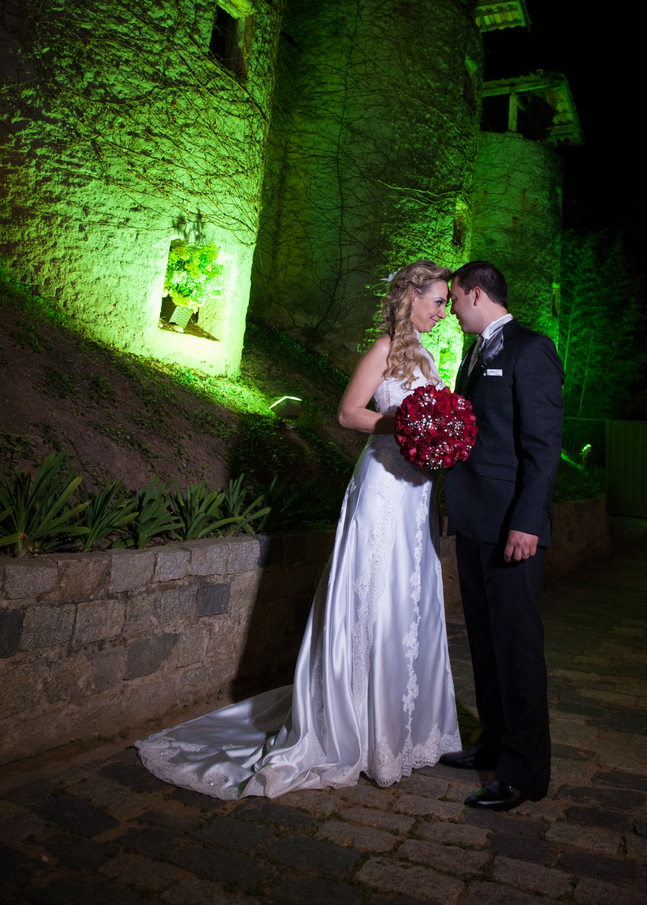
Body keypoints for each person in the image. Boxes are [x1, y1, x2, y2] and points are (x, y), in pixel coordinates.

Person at [136, 260, 461, 798]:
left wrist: (439, 440)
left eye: (447, 302)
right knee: (372, 595)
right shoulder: (383, 349)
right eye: (438, 300)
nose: (443, 310)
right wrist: (402, 424)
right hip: (382, 488)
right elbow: (347, 414)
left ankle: (403, 727)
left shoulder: (426, 355)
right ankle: (354, 724)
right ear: (412, 297)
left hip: (417, 492)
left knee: (409, 601)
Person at [440, 261, 564, 812]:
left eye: (453, 301)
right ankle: (493, 743)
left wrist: (527, 522)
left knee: (517, 649)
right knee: (486, 645)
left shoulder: (530, 349)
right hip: (474, 521)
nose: (449, 311)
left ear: (475, 293)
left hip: (512, 527)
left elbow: (542, 448)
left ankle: (525, 771)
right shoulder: (476, 351)